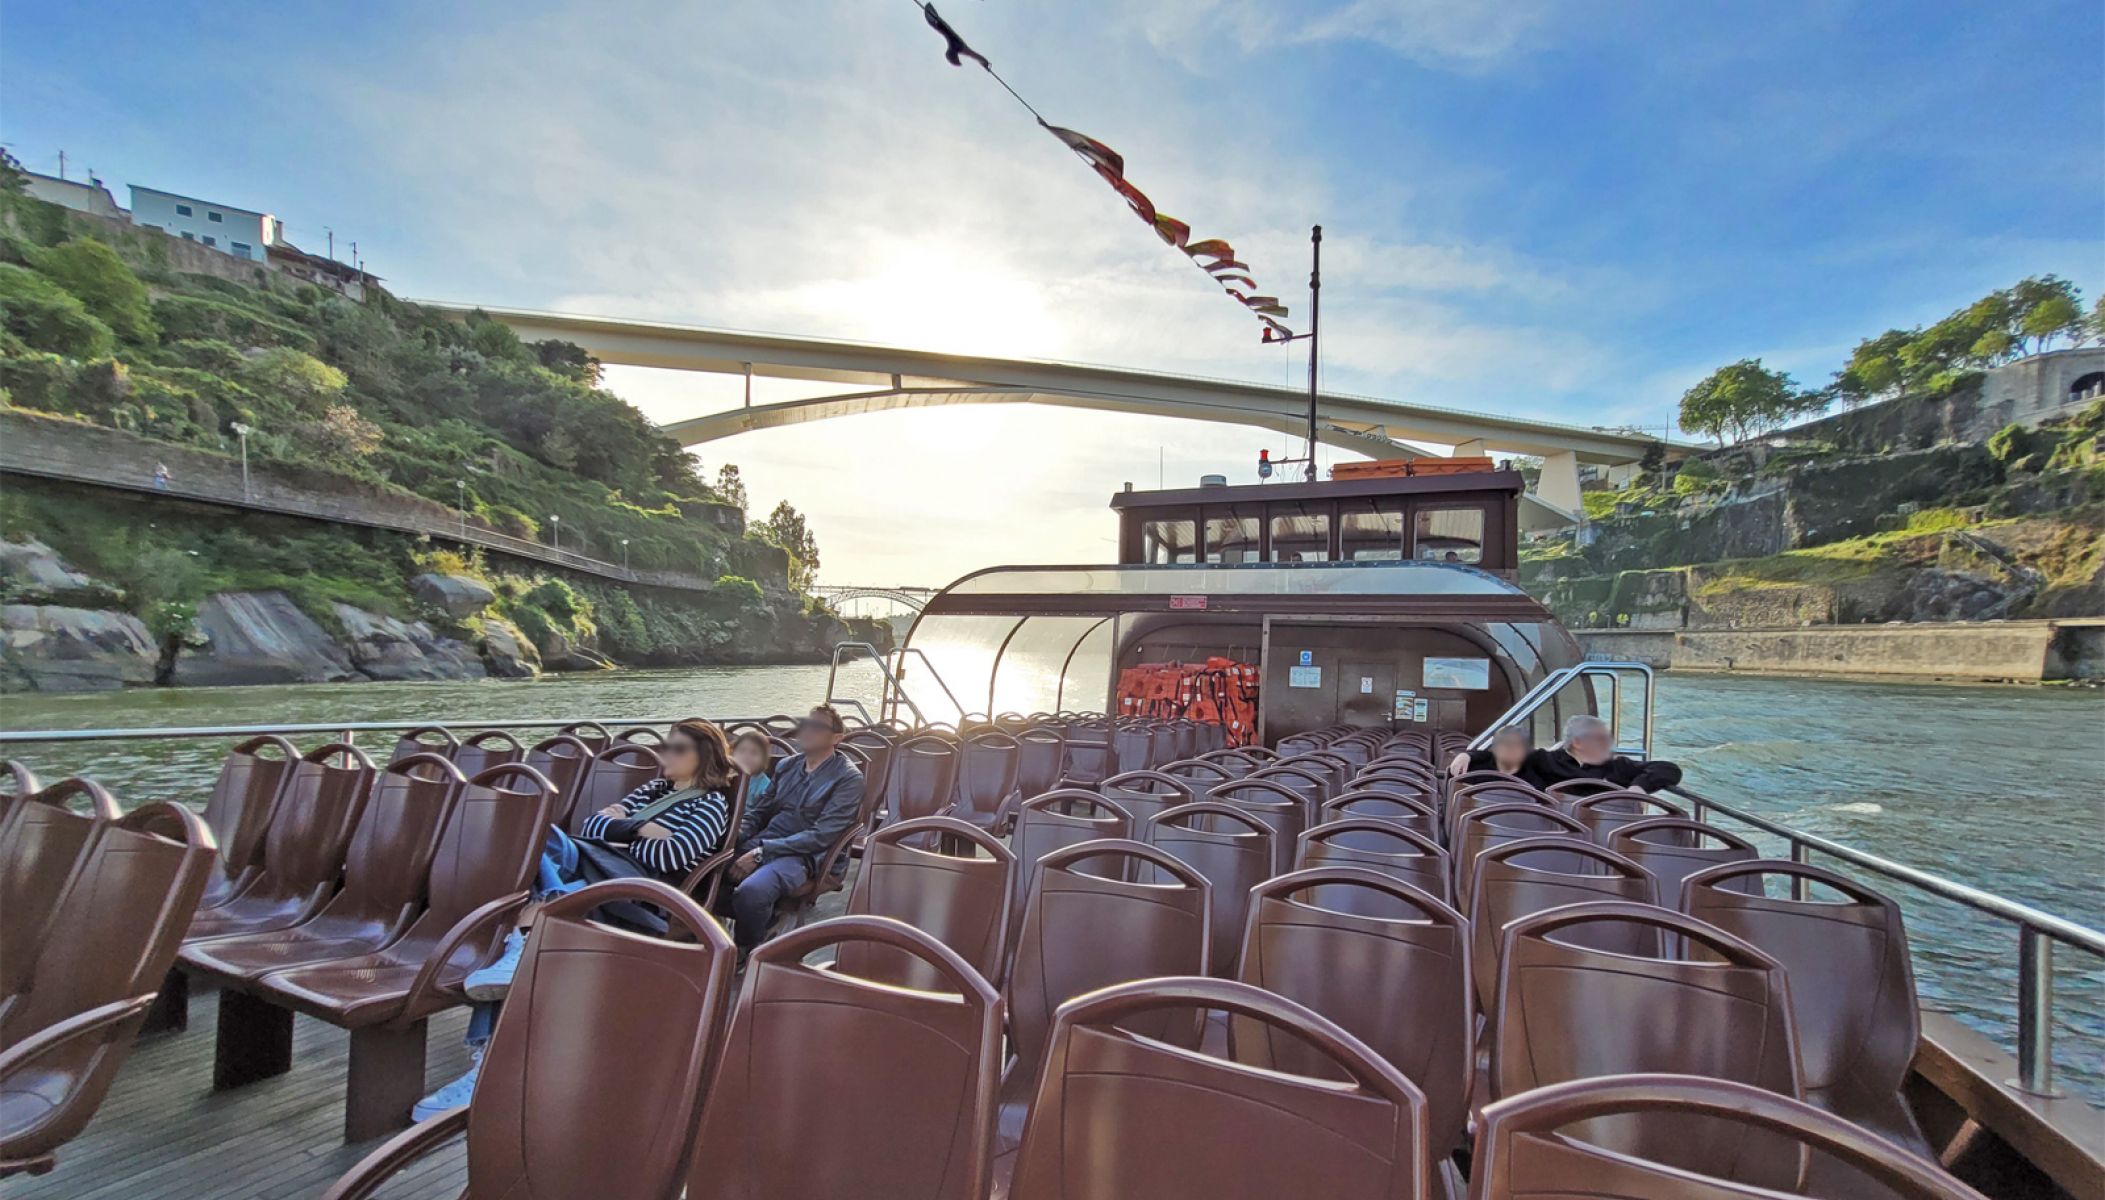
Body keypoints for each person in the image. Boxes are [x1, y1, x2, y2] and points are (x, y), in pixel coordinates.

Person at [412, 717, 736, 1121]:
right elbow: (592, 825)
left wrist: (621, 828)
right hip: (593, 862)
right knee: (535, 830)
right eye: (665, 746)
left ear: (700, 756)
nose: (665, 754)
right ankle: (531, 926)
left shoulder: (710, 804)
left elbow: (668, 859)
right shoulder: (655, 789)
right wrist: (641, 828)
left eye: (676, 748)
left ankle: (489, 1046)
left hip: (632, 889)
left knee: (534, 896)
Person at [726, 705, 864, 955]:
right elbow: (759, 812)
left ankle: (747, 949)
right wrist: (733, 836)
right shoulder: (787, 766)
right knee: (702, 865)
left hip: (806, 856)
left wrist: (762, 852)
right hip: (767, 841)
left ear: (837, 738)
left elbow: (821, 836)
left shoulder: (847, 778)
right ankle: (755, 923)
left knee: (752, 891)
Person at [1516, 713, 1682, 794]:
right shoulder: (1542, 760)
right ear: (1578, 742)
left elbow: (1669, 769)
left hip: (1598, 839)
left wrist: (1639, 787)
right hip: (1548, 831)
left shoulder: (1617, 767)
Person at [1447, 725, 1531, 778]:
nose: (1511, 749)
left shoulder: (1537, 773)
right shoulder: (1475, 773)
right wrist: (1465, 756)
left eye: (1517, 745)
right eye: (1506, 743)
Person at [729, 728, 774, 811]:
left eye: (754, 753)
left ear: (764, 759)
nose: (746, 757)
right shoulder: (728, 776)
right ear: (732, 753)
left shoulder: (764, 786)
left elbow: (762, 814)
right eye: (742, 751)